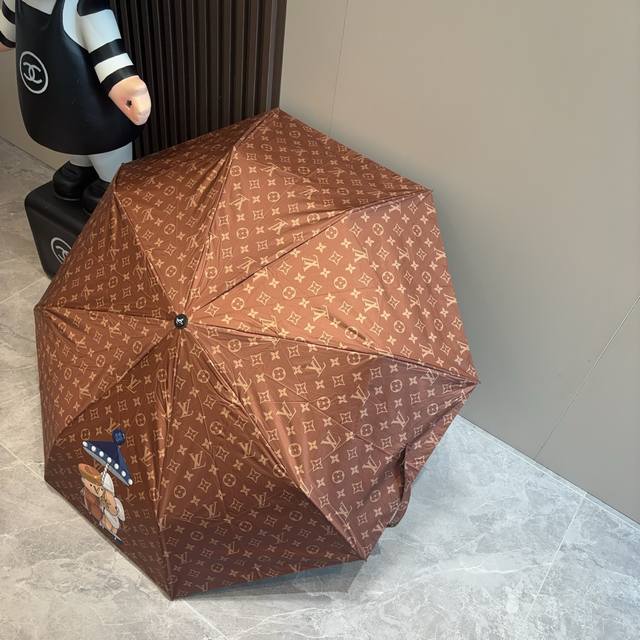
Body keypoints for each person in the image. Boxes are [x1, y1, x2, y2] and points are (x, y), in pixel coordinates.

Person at [0, 0, 151, 213]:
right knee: (67, 131)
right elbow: (6, 35)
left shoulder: (84, 6)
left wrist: (126, 85)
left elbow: (107, 51)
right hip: (53, 96)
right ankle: (81, 165)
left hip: (92, 102)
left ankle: (113, 178)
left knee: (102, 141)